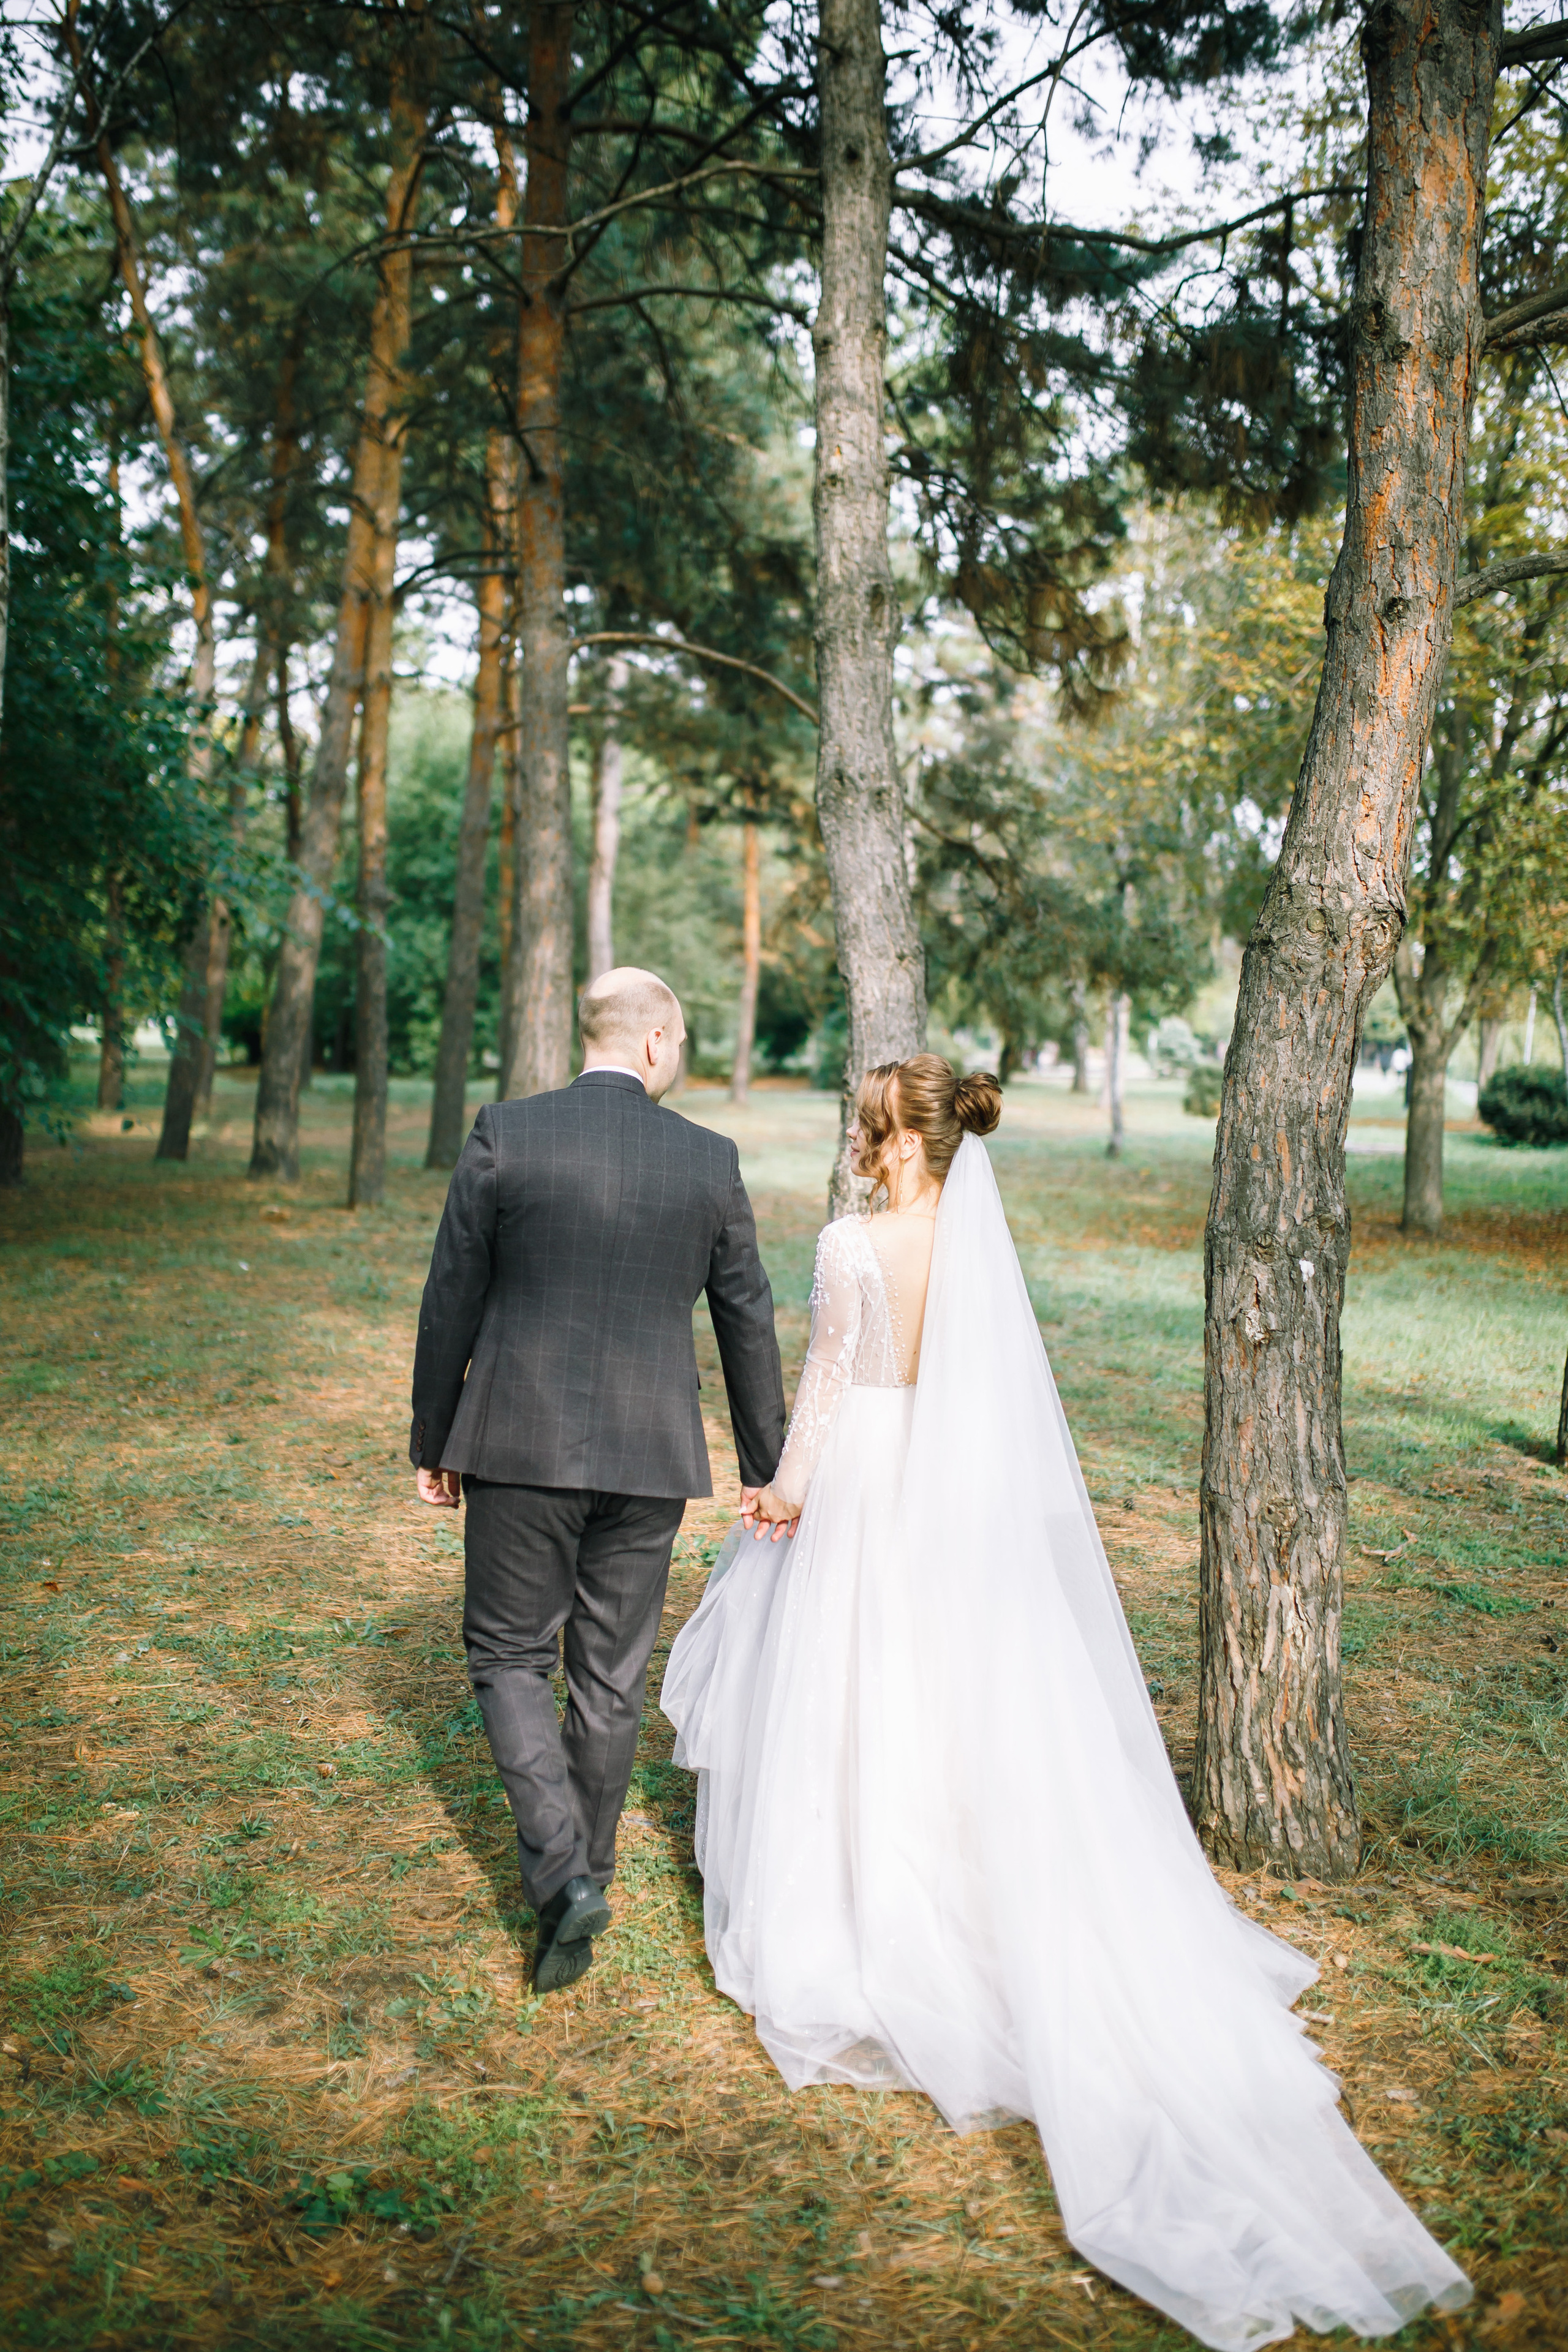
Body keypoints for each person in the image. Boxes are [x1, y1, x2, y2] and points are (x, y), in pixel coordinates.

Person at [661, 1054, 1469, 2352]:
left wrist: (786, 1491)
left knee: (855, 1686)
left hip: (864, 1479)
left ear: (899, 1142)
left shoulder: (848, 1243)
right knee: (947, 1693)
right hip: (955, 1499)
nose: (859, 1147)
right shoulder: (973, 1254)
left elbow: (820, 1386)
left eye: (869, 1131)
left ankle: (867, 1905)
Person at [410, 967, 785, 1994]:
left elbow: (453, 1292)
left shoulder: (506, 1133)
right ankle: (592, 1870)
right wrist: (768, 1466)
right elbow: (745, 1316)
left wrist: (433, 1437)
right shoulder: (708, 1159)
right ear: (657, 1042)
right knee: (612, 1676)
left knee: (507, 1655)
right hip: (649, 1452)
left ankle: (562, 1875)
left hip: (519, 1442)